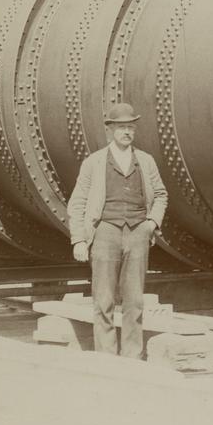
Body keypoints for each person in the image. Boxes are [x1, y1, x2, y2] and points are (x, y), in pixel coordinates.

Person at [67, 101, 167, 358]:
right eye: (121, 127)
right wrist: (78, 239)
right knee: (104, 300)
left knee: (134, 301)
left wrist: (151, 224)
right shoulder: (94, 162)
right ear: (110, 130)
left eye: (131, 127)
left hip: (137, 233)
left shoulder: (145, 161)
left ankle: (132, 357)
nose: (127, 132)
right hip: (105, 233)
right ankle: (107, 358)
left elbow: (161, 195)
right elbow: (77, 202)